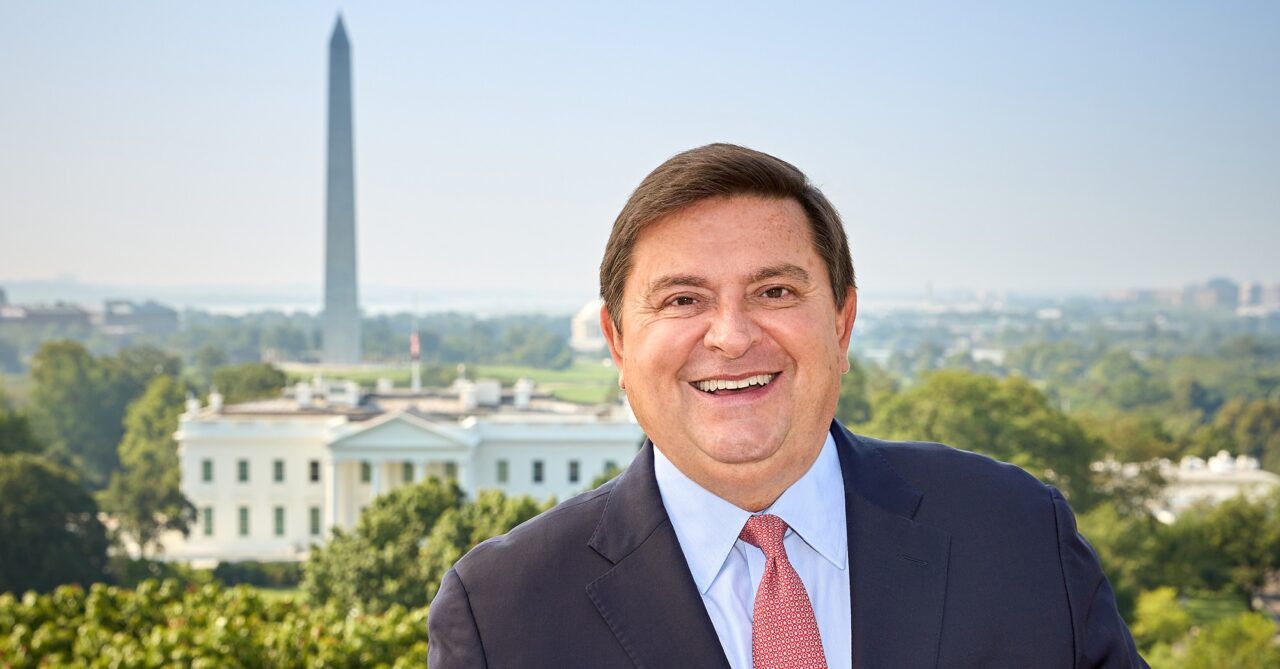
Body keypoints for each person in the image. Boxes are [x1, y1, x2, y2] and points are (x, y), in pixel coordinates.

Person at [428, 144, 1146, 668]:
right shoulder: (502, 614)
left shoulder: (1016, 533)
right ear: (618, 342)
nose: (733, 336)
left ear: (840, 321)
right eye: (684, 299)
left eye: (775, 291)